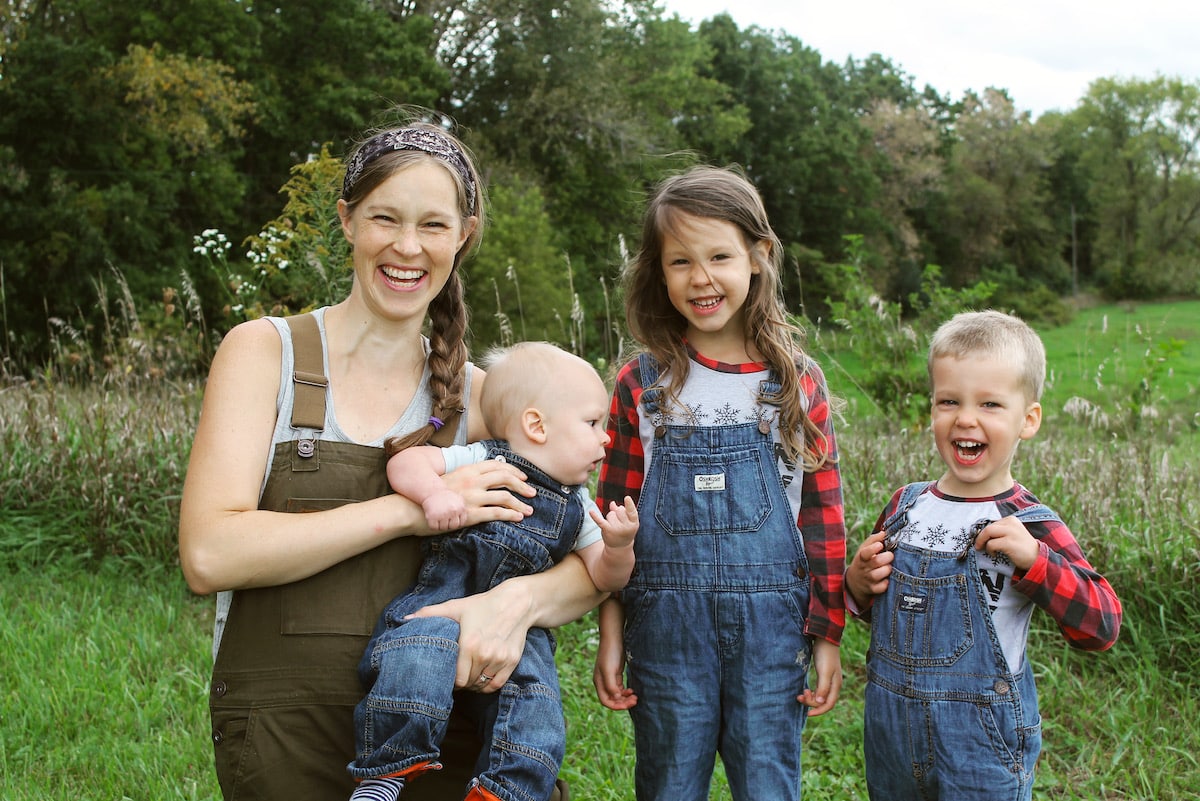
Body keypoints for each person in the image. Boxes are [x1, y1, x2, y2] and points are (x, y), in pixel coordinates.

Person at [178, 111, 602, 801]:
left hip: (447, 743)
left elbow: (586, 556)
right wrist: (411, 511)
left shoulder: (484, 397)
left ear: (462, 237)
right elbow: (209, 553)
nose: (408, 247)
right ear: (347, 220)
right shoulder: (265, 354)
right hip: (286, 731)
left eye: (433, 225)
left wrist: (518, 601)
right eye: (384, 218)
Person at [591, 164, 847, 800]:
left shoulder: (796, 383)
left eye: (719, 257)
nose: (701, 279)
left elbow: (822, 519)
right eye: (680, 262)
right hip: (664, 632)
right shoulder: (642, 385)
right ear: (659, 271)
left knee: (767, 783)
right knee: (669, 783)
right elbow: (610, 519)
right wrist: (611, 634)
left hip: (772, 635)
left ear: (757, 258)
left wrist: (827, 635)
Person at [845, 309, 1123, 801]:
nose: (965, 418)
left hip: (980, 744)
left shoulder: (1031, 523)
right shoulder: (906, 506)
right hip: (890, 733)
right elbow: (888, 615)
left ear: (1027, 420)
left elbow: (1101, 626)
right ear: (931, 409)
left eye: (991, 404)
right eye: (948, 400)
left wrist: (1037, 562)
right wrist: (858, 585)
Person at [347, 341, 638, 801]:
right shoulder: (484, 459)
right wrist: (434, 496)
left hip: (520, 639)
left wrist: (619, 546)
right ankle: (385, 771)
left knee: (537, 711)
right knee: (415, 660)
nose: (606, 437)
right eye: (593, 423)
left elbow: (605, 576)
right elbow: (407, 460)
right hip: (439, 605)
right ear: (536, 426)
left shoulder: (578, 508)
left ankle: (505, 791)